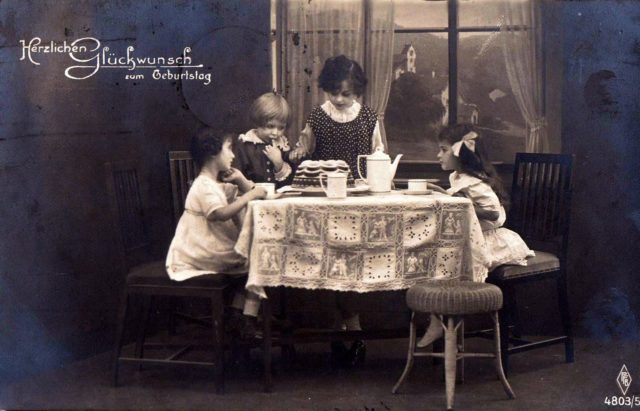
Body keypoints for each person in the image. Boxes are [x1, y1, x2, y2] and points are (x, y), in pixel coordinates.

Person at [417, 123, 535, 348]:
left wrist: (461, 203)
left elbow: (494, 213)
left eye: (443, 149)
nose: (438, 154)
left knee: (450, 264)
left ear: (460, 153)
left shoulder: (475, 182)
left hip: (493, 241)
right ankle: (447, 325)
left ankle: (446, 325)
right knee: (437, 255)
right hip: (475, 238)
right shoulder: (458, 177)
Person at [166, 128, 268, 340]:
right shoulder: (203, 186)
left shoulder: (214, 183)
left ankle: (238, 316)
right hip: (199, 251)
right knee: (258, 262)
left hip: (208, 247)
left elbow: (257, 194)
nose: (232, 155)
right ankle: (244, 317)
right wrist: (248, 196)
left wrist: (241, 182)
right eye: (229, 149)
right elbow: (220, 214)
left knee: (255, 262)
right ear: (213, 153)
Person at [289, 54, 384, 175]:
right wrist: (300, 151)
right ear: (326, 88)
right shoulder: (318, 116)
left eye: (346, 94)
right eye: (334, 93)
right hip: (325, 183)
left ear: (356, 92)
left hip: (360, 184)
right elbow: (304, 147)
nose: (339, 99)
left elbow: (377, 152)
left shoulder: (368, 118)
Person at [233, 92, 294, 189]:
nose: (275, 133)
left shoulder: (284, 147)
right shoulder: (245, 145)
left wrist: (279, 164)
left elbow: (290, 184)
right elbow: (235, 179)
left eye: (281, 128)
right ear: (258, 122)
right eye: (270, 126)